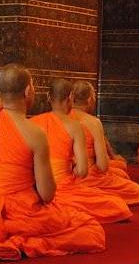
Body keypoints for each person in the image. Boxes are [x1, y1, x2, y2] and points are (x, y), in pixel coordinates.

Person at [0, 64, 105, 260]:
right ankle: (21, 242)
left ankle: (3, 241)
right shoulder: (34, 133)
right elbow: (47, 194)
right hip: (24, 217)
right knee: (90, 229)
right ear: (28, 90)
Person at [30, 79, 131, 224]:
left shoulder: (33, 122)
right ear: (71, 97)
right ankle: (66, 205)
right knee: (118, 205)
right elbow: (83, 171)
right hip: (65, 187)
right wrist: (71, 169)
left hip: (39, 188)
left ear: (48, 96)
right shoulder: (75, 125)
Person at [70, 81, 139, 206]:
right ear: (89, 100)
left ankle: (89, 192)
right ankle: (93, 194)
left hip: (64, 174)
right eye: (94, 97)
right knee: (135, 190)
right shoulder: (92, 122)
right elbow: (102, 166)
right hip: (87, 174)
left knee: (120, 171)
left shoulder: (61, 118)